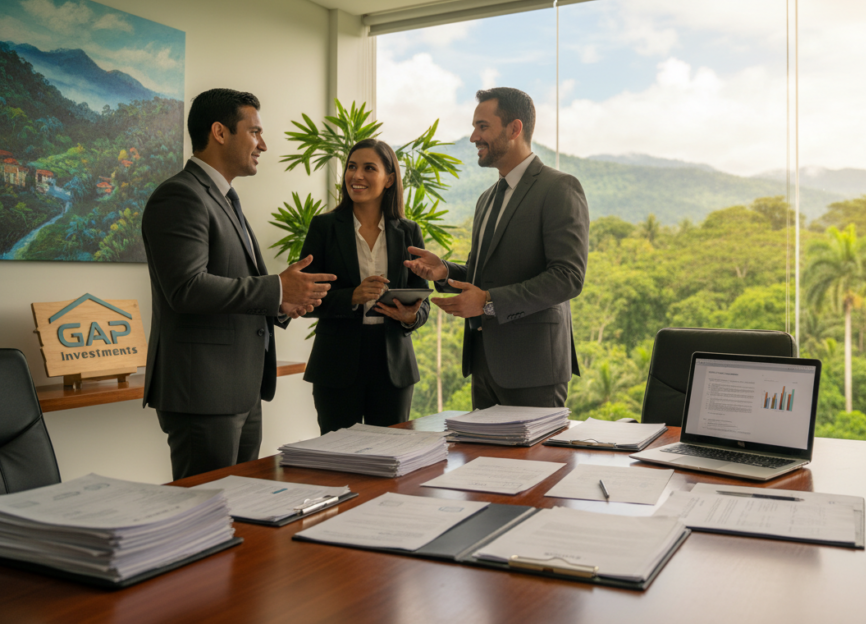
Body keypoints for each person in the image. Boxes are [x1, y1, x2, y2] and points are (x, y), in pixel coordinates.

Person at [142, 88, 335, 481]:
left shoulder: (225, 198)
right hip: (203, 392)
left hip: (240, 390)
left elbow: (234, 282)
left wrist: (281, 303)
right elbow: (187, 288)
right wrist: (276, 290)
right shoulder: (180, 195)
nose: (263, 144)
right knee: (204, 514)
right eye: (255, 132)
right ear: (219, 132)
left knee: (240, 511)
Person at [405, 87, 589, 408]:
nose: (474, 136)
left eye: (483, 126)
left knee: (534, 461)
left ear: (514, 129)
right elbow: (483, 276)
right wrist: (445, 271)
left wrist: (489, 303)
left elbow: (567, 277)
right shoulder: (486, 198)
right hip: (483, 367)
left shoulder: (559, 187)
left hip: (534, 369)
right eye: (475, 127)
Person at [299, 138, 431, 434]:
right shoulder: (324, 228)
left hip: (393, 367)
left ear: (389, 180)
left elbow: (423, 302)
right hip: (336, 363)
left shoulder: (409, 232)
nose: (356, 176)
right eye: (351, 167)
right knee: (337, 460)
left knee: (391, 460)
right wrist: (352, 296)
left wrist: (411, 317)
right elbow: (302, 298)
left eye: (369, 168)